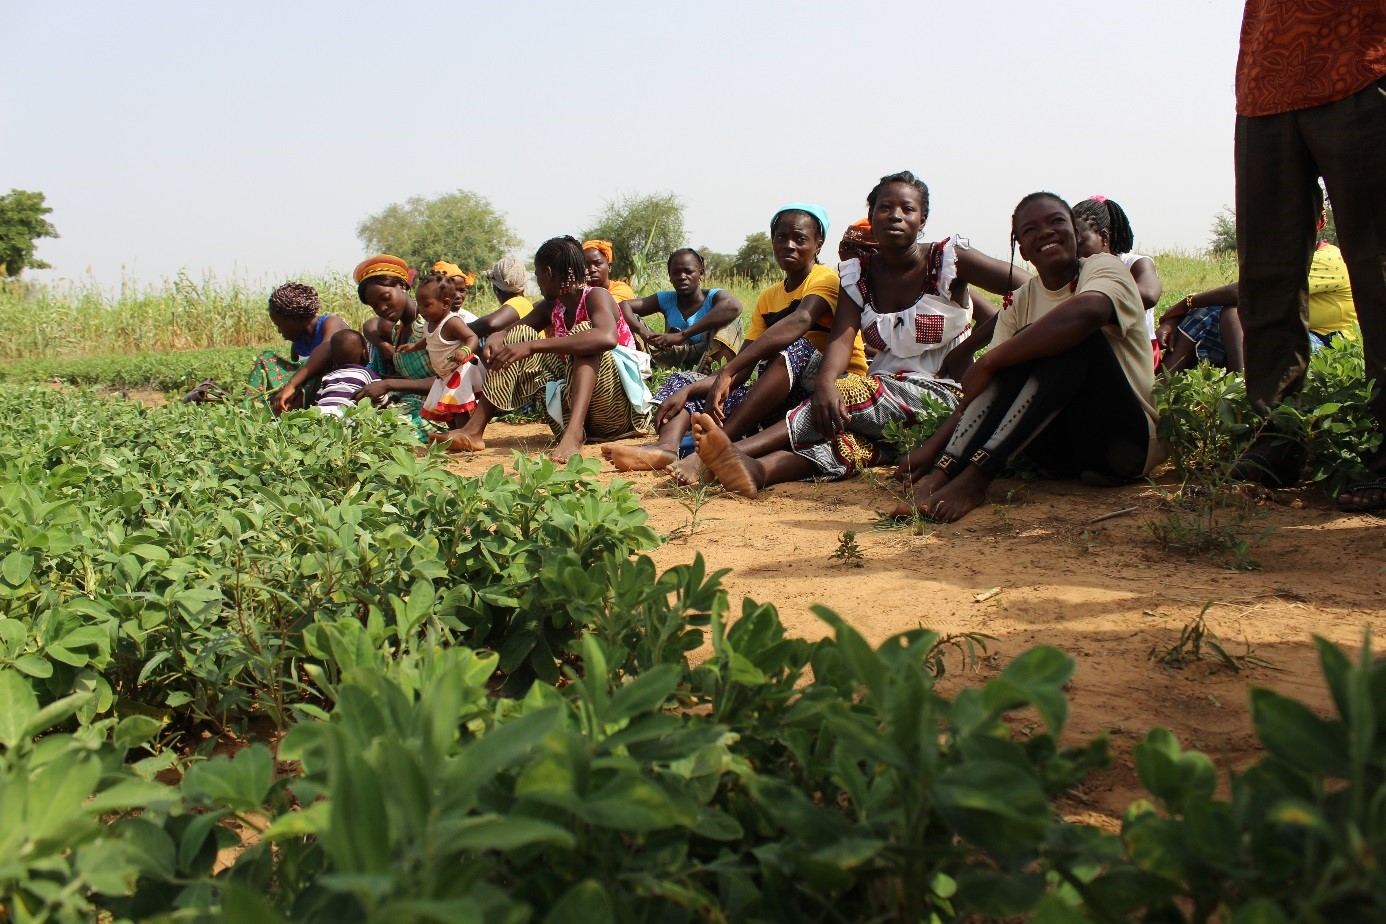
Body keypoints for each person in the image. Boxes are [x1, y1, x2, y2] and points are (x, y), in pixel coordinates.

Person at [682, 172, 1025, 496]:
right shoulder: (857, 274)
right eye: (885, 207)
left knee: (844, 395)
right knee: (847, 439)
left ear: (922, 220)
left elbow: (1028, 290)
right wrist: (826, 382)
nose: (895, 215)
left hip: (940, 396)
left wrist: (968, 352)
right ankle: (759, 471)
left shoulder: (948, 260)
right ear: (872, 216)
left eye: (908, 209)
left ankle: (724, 452)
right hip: (879, 398)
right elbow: (841, 339)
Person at [889, 192, 1161, 523]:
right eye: (1030, 230)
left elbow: (1088, 312)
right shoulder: (1019, 300)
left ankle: (976, 479)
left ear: (1075, 233)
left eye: (1057, 221)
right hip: (1057, 453)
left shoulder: (1105, 267)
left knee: (1068, 339)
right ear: (1021, 248)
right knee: (1014, 351)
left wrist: (988, 360)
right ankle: (944, 476)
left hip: (1123, 444)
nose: (1045, 232)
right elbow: (991, 386)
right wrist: (933, 450)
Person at [1231, 2, 1386, 507]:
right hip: (1266, 80)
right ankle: (1277, 440)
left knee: (1378, 269)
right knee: (1266, 275)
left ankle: (1384, 452)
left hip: (1361, 62)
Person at [603, 202, 866, 475]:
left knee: (794, 348)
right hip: (781, 395)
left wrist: (726, 370)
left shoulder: (826, 278)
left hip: (830, 390)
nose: (789, 245)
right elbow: (744, 366)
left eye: (800, 238)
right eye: (781, 238)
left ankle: (718, 448)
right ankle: (667, 449)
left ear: (818, 244)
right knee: (685, 382)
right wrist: (696, 388)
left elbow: (799, 321)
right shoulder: (768, 297)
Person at [435, 236, 653, 462]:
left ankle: (574, 435)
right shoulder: (552, 307)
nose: (537, 282)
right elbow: (513, 332)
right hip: (571, 416)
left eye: (538, 275)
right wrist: (497, 337)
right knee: (519, 336)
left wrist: (532, 346)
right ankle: (473, 431)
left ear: (548, 273)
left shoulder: (596, 296)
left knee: (586, 334)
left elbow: (606, 337)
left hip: (615, 413)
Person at [345, 254, 446, 438]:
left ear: (402, 286)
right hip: (409, 404)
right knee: (355, 425)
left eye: (385, 297)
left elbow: (449, 381)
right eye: (374, 305)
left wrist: (388, 384)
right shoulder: (396, 331)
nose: (382, 308)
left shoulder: (429, 325)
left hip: (441, 408)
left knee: (387, 434)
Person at [1073, 196, 1162, 365]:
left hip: (1138, 353)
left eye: (1080, 242)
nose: (1075, 251)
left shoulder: (1134, 263)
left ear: (1104, 237)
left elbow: (1150, 295)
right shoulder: (1076, 269)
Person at [620, 248, 743, 370]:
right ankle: (638, 369)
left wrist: (682, 335)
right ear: (670, 277)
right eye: (676, 273)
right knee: (626, 319)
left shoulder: (712, 297)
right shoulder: (666, 299)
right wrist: (644, 333)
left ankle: (716, 374)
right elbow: (623, 305)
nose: (682, 277)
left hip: (705, 358)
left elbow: (734, 306)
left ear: (701, 273)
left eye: (688, 271)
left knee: (732, 321)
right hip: (670, 360)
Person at [397, 273, 486, 424]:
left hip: (459, 371)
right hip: (444, 374)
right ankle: (453, 436)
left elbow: (472, 338)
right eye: (419, 305)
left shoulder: (452, 322)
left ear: (445, 303)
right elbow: (431, 340)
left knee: (458, 409)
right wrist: (415, 346)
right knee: (447, 410)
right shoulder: (429, 323)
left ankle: (462, 435)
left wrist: (464, 351)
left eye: (427, 305)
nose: (421, 310)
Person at [251, 282, 349, 412]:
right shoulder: (298, 344)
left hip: (341, 386)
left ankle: (285, 417)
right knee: (266, 358)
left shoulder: (330, 323)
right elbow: (297, 369)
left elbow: (325, 352)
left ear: (294, 319)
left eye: (279, 324)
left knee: (315, 374)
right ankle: (253, 410)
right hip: (311, 391)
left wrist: (291, 385)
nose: (279, 331)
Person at [314, 330, 384, 417]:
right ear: (364, 353)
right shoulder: (367, 374)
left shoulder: (328, 376)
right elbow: (380, 396)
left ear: (333, 357)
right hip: (347, 411)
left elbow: (318, 398)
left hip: (323, 410)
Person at [469, 256, 535, 342]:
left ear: (497, 288)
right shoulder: (524, 303)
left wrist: (457, 328)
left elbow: (491, 324)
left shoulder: (518, 302)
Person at [582, 240, 637, 304]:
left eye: (597, 263)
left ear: (609, 267)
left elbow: (604, 307)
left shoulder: (621, 290)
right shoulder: (580, 291)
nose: (591, 269)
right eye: (586, 265)